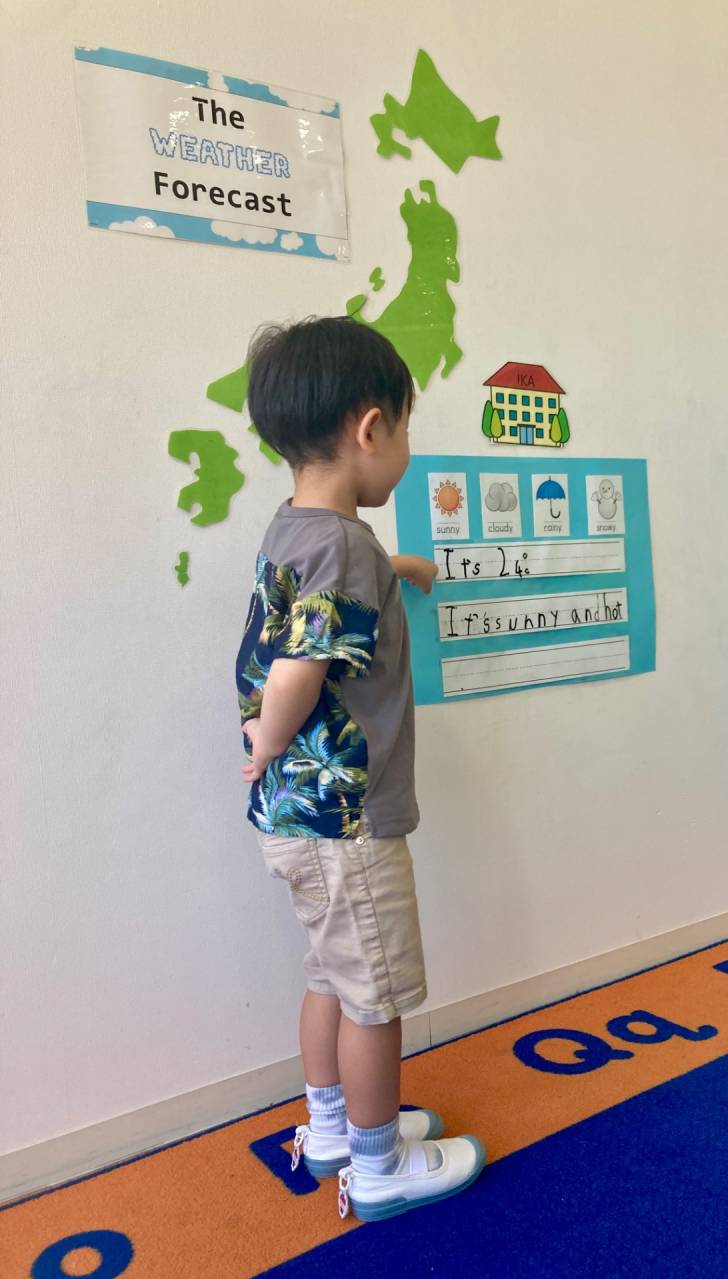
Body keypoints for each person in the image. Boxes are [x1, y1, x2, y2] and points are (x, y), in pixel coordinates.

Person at [235, 316, 485, 1222]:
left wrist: (399, 566)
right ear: (371, 428)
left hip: (296, 819)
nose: (406, 452)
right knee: (376, 996)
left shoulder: (302, 529)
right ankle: (379, 1165)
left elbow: (328, 593)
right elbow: (299, 667)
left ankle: (331, 1127)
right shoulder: (344, 547)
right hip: (348, 821)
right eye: (407, 430)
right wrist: (267, 737)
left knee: (329, 978)